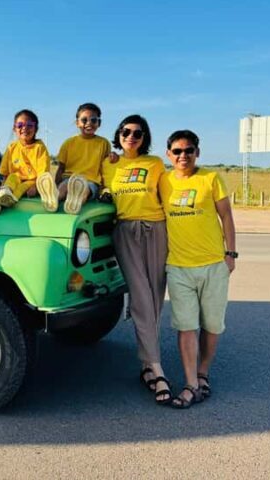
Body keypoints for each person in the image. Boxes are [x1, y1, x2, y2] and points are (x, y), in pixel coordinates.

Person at [160, 129, 236, 409]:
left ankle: (203, 373)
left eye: (188, 150)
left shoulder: (210, 178)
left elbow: (226, 215)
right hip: (179, 267)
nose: (183, 155)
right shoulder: (163, 180)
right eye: (177, 151)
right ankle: (191, 384)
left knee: (212, 325)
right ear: (169, 154)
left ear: (197, 153)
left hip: (213, 265)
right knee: (186, 326)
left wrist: (230, 254)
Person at [100, 114, 172, 405]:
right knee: (141, 297)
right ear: (119, 134)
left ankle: (146, 367)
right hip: (126, 231)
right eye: (126, 131)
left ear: (144, 138)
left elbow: (167, 198)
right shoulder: (109, 163)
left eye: (137, 133)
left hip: (156, 228)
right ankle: (158, 368)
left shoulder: (154, 164)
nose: (131, 137)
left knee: (154, 299)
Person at [36, 102, 111, 214]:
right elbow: (61, 168)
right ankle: (54, 199)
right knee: (64, 187)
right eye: (84, 120)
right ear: (77, 123)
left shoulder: (104, 143)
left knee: (85, 190)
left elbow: (104, 168)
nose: (89, 123)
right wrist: (56, 184)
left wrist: (104, 189)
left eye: (93, 120)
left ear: (99, 123)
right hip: (69, 178)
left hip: (91, 182)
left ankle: (75, 201)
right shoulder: (68, 143)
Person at [0, 109, 50, 215]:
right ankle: (0, 195)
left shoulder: (40, 148)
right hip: (15, 179)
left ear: (36, 128)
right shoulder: (11, 148)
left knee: (22, 187)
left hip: (31, 181)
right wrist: (3, 184)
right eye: (20, 125)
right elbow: (5, 174)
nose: (24, 128)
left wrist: (36, 187)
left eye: (29, 125)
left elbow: (43, 174)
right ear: (14, 128)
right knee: (12, 177)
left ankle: (8, 200)